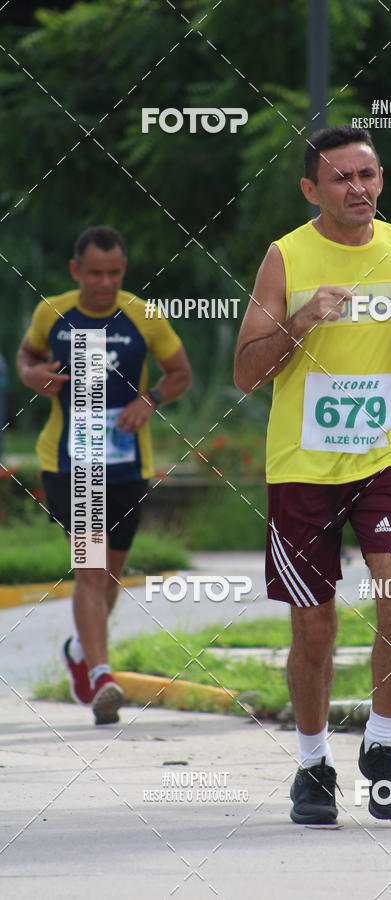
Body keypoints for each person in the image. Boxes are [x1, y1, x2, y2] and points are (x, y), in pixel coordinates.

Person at [234, 125, 391, 824]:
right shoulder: (286, 256)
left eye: (368, 175)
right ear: (310, 190)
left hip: (386, 457)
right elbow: (246, 372)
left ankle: (380, 745)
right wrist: (300, 320)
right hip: (304, 466)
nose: (358, 189)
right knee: (314, 626)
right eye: (342, 178)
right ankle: (313, 764)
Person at [17, 226, 192, 725]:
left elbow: (180, 373)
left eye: (114, 273)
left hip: (128, 465)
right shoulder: (51, 313)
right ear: (76, 270)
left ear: (124, 269)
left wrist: (149, 399)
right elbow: (27, 357)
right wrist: (32, 375)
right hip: (71, 461)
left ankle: (79, 651)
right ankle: (101, 677)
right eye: (95, 273)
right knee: (90, 571)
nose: (105, 283)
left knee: (110, 575)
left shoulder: (143, 315)